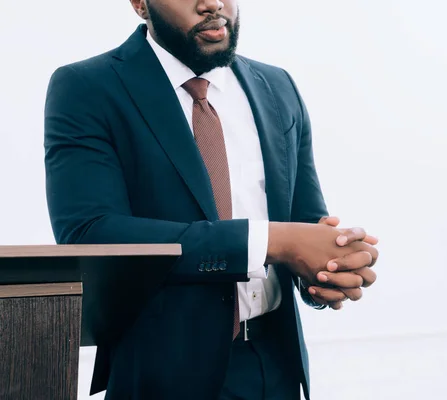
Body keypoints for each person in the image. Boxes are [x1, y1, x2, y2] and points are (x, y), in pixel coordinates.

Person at [43, 0, 379, 399]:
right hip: (161, 377)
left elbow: (303, 223)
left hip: (276, 368)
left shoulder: (278, 86)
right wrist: (274, 241)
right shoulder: (87, 87)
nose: (213, 3)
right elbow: (91, 234)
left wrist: (330, 270)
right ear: (139, 4)